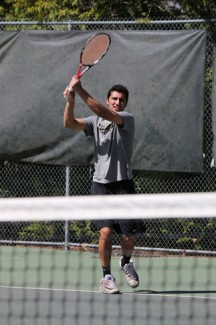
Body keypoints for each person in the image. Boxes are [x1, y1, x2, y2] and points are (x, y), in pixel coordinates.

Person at [63, 75, 144, 294]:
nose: (118, 102)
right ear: (108, 99)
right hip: (101, 186)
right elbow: (69, 123)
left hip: (124, 185)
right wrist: (70, 100)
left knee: (128, 236)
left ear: (124, 104)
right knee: (106, 232)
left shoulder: (126, 119)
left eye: (121, 100)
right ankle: (106, 276)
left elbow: (102, 112)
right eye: (114, 99)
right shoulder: (94, 122)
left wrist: (79, 89)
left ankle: (126, 261)